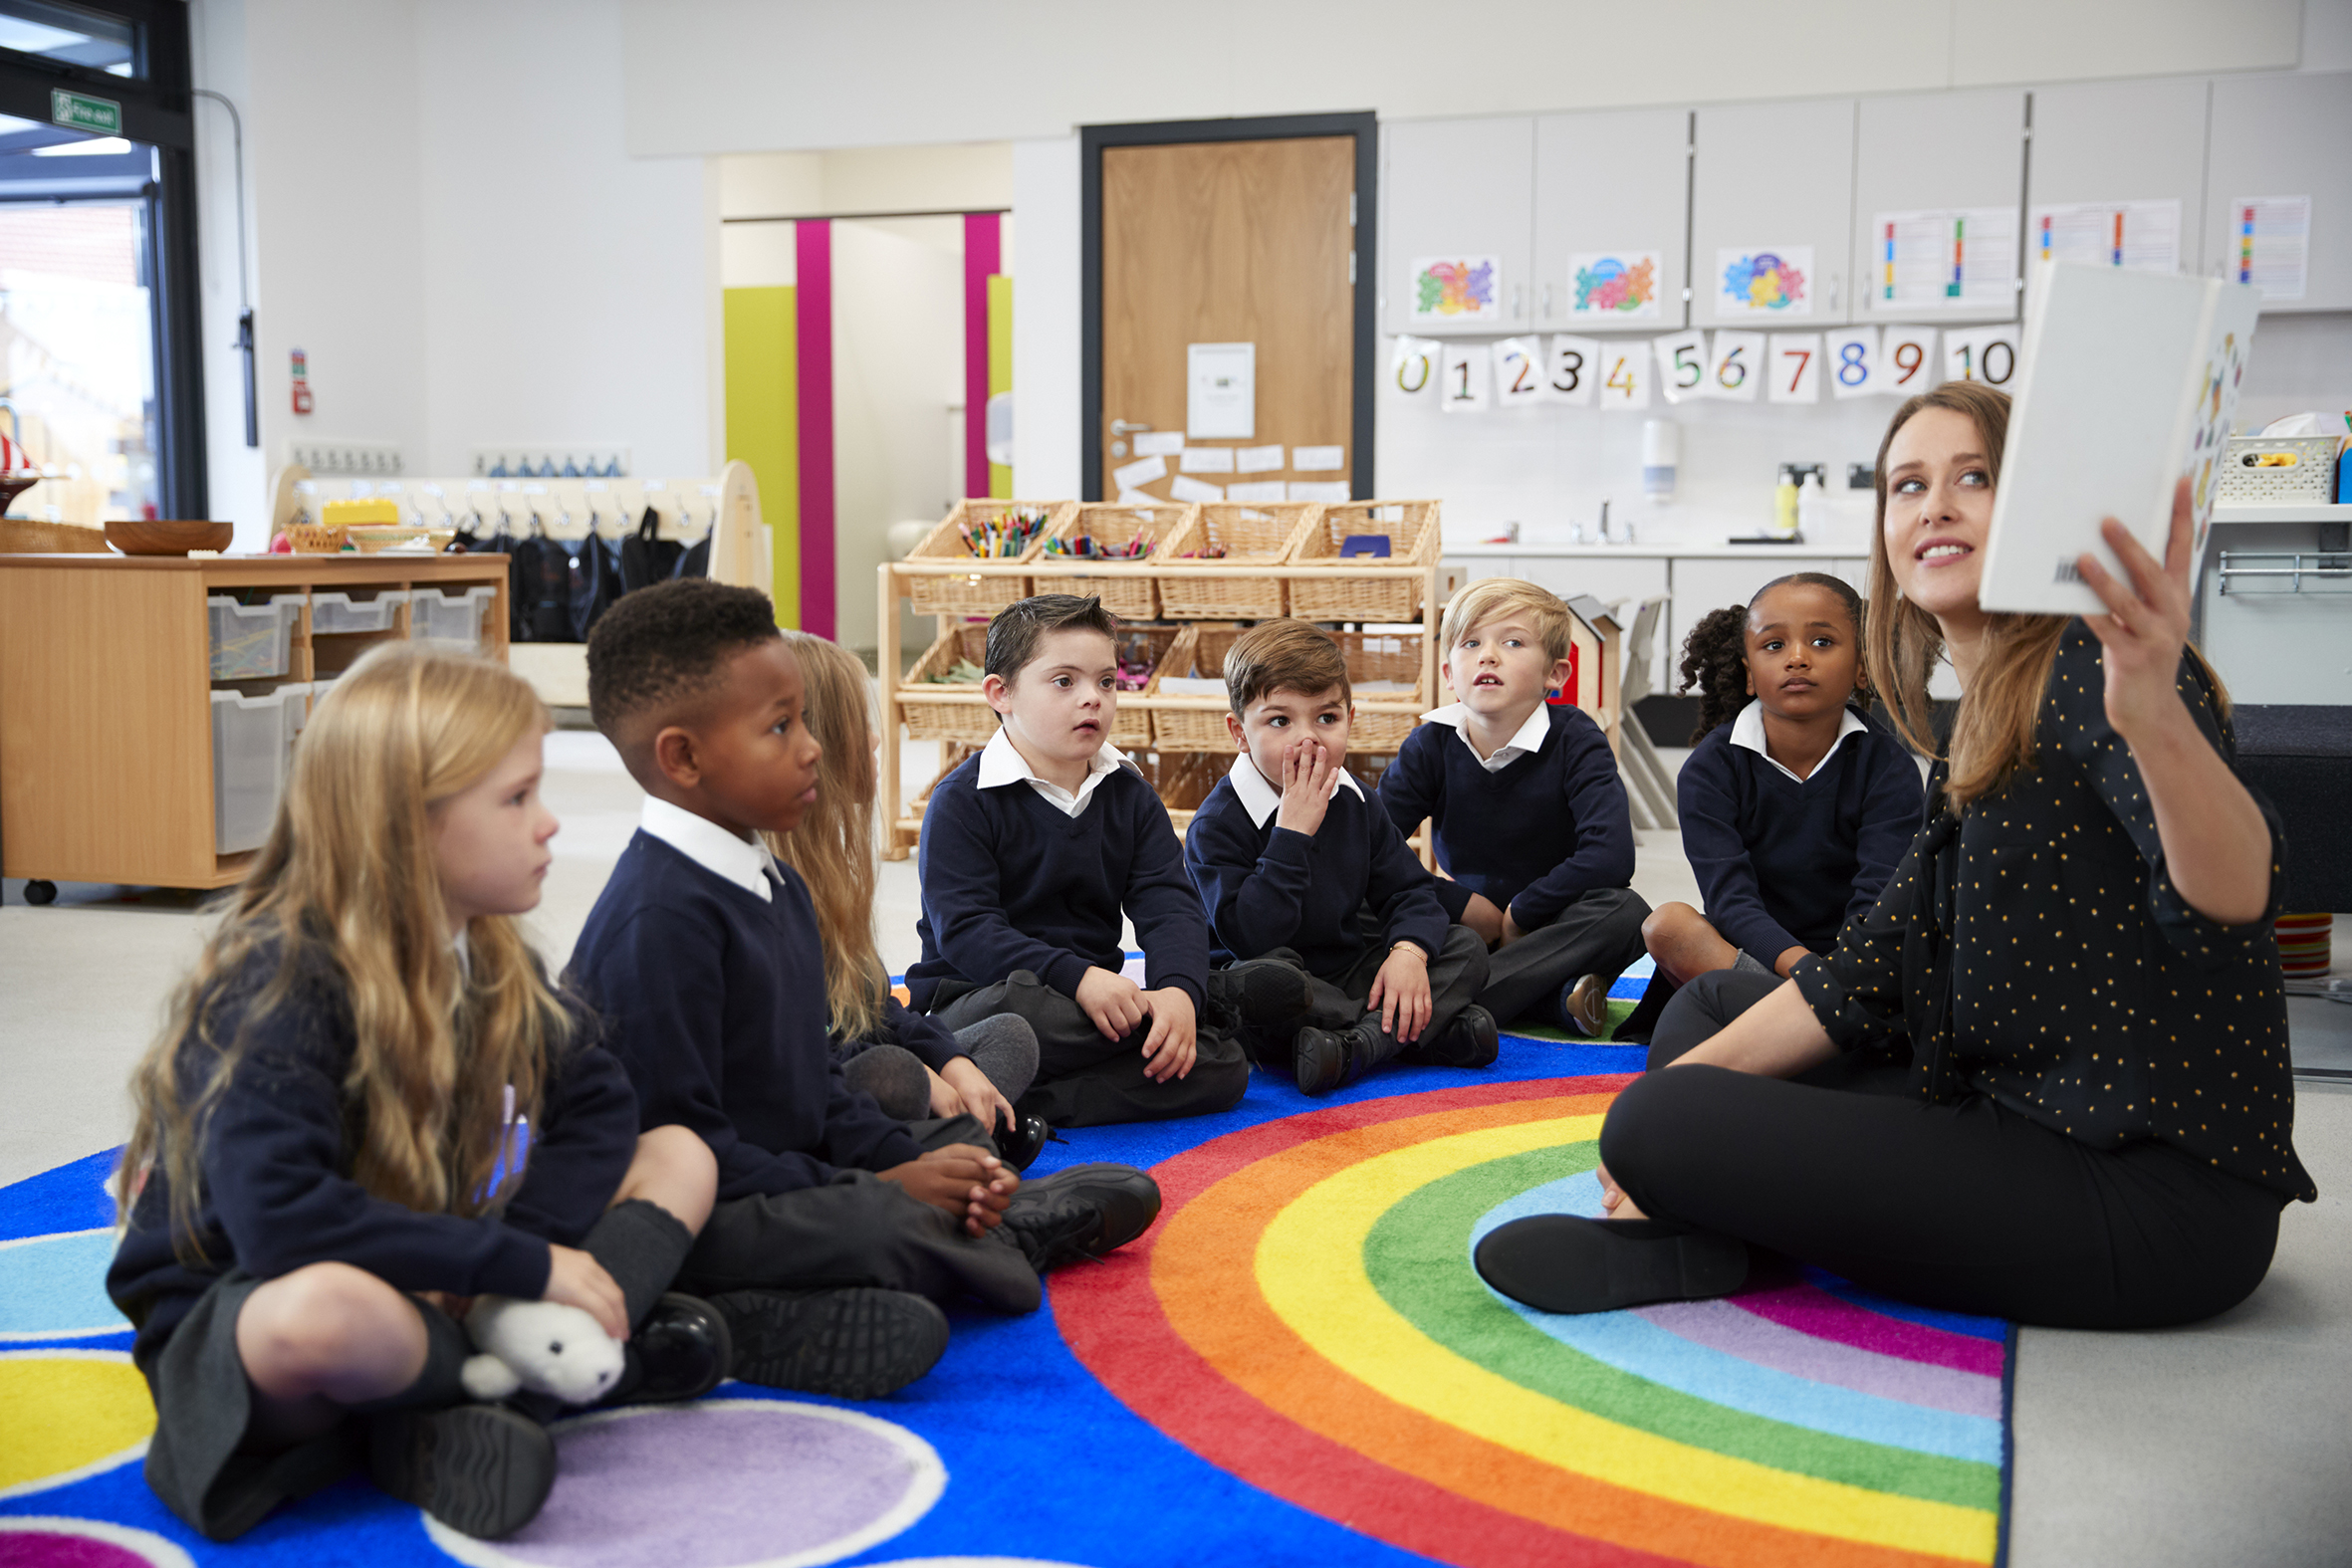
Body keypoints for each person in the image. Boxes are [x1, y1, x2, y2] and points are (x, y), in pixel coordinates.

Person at [1476, 381, 2315, 1328]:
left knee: (1655, 1120)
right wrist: (1686, 1096)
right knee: (1705, 1017)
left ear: (2038, 504)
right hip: (2012, 1103)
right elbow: (1866, 974)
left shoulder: (2098, 670)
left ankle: (1716, 1217)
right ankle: (1710, 1230)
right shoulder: (1987, 712)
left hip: (2147, 1192)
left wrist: (2156, 717)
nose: (1936, 505)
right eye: (1908, 485)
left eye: (1976, 477)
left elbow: (2235, 900)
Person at [107, 645, 727, 1544]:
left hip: (443, 1265)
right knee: (322, 1314)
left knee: (681, 1154)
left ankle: (487, 1381)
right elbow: (284, 1224)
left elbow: (595, 1099)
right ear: (406, 826)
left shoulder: (488, 953)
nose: (549, 823)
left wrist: (508, 1252)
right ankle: (539, 1370)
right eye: (516, 799)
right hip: (257, 1302)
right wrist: (515, 1270)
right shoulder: (277, 981)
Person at [571, 581, 1161, 1401]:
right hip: (707, 1204)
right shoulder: (657, 918)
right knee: (884, 1220)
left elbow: (811, 1078)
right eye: (782, 727)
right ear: (683, 758)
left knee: (935, 1178)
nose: (812, 748)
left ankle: (962, 1228)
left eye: (807, 722)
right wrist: (882, 1188)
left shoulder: (771, 885)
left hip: (784, 1163)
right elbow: (690, 1153)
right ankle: (728, 1315)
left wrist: (905, 1158)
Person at [908, 592, 1255, 1125]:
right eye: (1064, 681)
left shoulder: (1131, 796)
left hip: (1095, 1005)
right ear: (1001, 694)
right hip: (981, 1000)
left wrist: (1178, 995)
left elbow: (1170, 907)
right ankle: (984, 1073)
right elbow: (967, 932)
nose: (1092, 698)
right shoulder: (962, 801)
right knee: (1021, 1018)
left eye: (1107, 681)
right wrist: (1079, 979)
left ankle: (1026, 1101)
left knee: (1223, 1066)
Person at [766, 632, 1048, 1170]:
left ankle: (951, 1145)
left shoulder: (831, 871)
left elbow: (874, 1010)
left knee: (1010, 1037)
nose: (875, 740)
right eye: (855, 724)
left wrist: (950, 1065)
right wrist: (923, 1074)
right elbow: (796, 1049)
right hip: (804, 1092)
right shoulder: (770, 886)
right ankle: (956, 1150)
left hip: (856, 1060)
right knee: (892, 1074)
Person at [1186, 618, 1496, 1096]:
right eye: (1280, 721)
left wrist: (1408, 953)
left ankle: (1357, 1046)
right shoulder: (1216, 823)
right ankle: (1419, 1033)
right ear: (1240, 733)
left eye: (1326, 718)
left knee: (1463, 946)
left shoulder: (1358, 801)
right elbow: (1252, 937)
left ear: (1350, 718)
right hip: (1267, 975)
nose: (1307, 739)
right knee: (1274, 987)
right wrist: (1291, 831)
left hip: (1347, 969)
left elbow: (1410, 891)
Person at [1638, 573, 1925, 1036]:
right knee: (1667, 926)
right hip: (1754, 956)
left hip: (1858, 963)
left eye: (1822, 641)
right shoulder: (1711, 766)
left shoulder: (1888, 766)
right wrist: (1803, 971)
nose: (1797, 658)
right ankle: (1817, 1026)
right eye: (1773, 646)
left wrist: (1843, 973)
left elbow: (1880, 900)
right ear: (1749, 674)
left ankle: (1792, 1027)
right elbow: (1730, 900)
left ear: (1861, 667)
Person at [1378, 577, 1649, 1035]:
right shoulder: (1430, 744)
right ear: (1449, 675)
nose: (1488, 655)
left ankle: (1449, 1007)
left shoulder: (1577, 738)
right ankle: (1555, 1000)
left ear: (1555, 675)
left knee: (1627, 913)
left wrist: (1521, 913)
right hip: (1466, 925)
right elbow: (1370, 847)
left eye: (1513, 642)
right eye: (1470, 643)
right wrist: (1460, 903)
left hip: (1552, 920)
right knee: (1364, 903)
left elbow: (1611, 856)